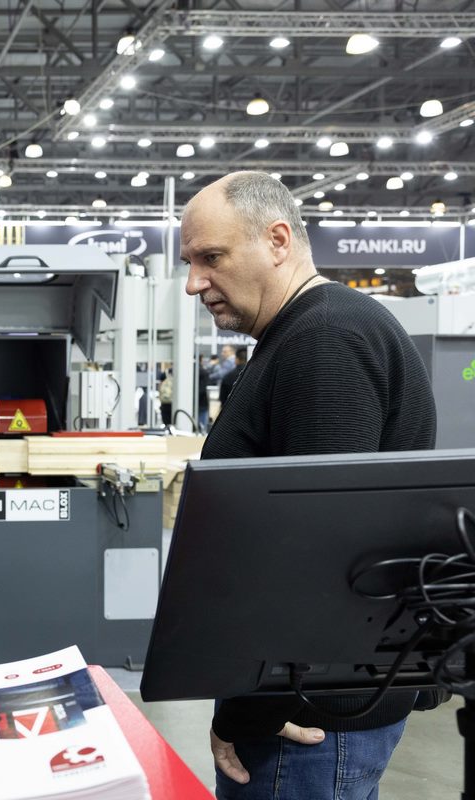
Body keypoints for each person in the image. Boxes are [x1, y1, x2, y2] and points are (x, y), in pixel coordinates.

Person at [181, 171, 436, 800]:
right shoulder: (304, 334)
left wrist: (248, 711)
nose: (194, 283)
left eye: (211, 258)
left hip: (306, 719)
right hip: (313, 701)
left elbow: (318, 557)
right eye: (190, 263)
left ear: (277, 240)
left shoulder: (325, 340)